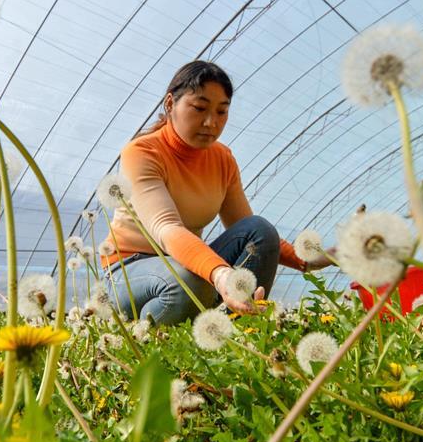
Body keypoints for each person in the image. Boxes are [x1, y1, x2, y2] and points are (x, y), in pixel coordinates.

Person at [99, 60, 334, 325]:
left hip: (185, 264)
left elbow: (250, 231)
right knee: (188, 282)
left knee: (260, 230)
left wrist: (313, 260)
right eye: (199, 108)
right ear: (169, 104)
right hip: (129, 271)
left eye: (222, 112)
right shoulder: (142, 152)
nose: (211, 122)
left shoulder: (223, 159)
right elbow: (166, 228)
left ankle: (245, 327)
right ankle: (148, 337)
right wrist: (222, 275)